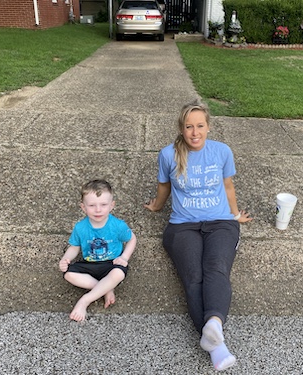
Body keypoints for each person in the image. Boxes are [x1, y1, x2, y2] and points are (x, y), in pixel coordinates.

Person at [144, 100, 252, 371]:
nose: (195, 133)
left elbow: (228, 186)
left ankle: (214, 325)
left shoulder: (222, 151)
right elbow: (163, 186)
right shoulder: (168, 154)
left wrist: (235, 214)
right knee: (193, 277)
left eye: (200, 126)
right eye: (189, 127)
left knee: (216, 268)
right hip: (183, 226)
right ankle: (217, 346)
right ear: (181, 128)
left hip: (220, 223)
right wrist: (156, 206)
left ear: (208, 126)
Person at [59, 179, 137, 322]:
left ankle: (85, 300)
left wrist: (125, 257)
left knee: (119, 273)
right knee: (69, 274)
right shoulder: (80, 227)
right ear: (83, 207)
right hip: (90, 264)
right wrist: (66, 258)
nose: (98, 210)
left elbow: (132, 239)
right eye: (92, 205)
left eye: (103, 205)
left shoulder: (117, 225)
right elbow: (74, 247)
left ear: (111, 205)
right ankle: (106, 288)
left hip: (112, 263)